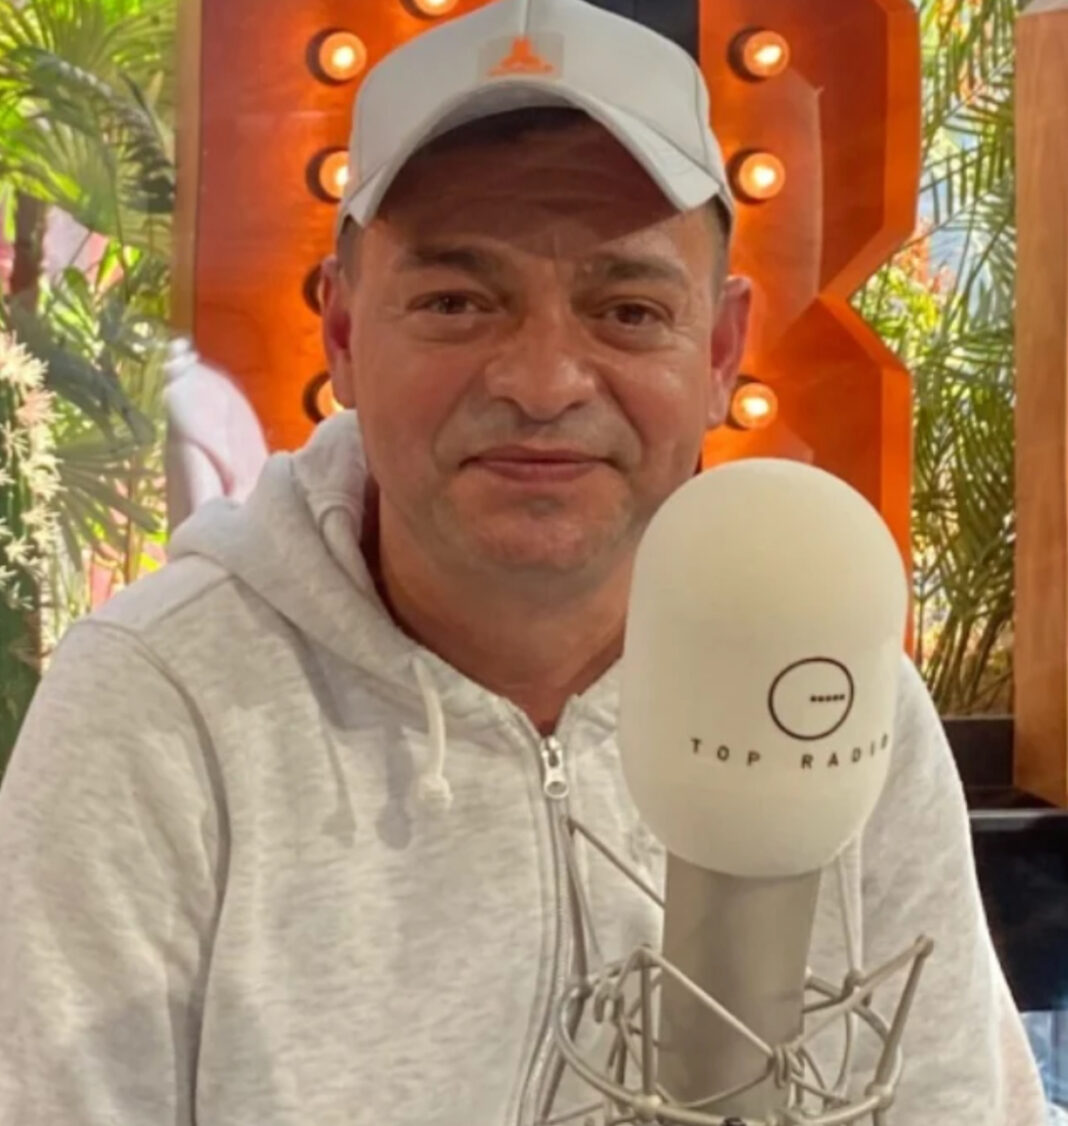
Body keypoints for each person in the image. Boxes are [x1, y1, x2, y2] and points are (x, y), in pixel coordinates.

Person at [0, 0, 1050, 1122]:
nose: (545, 383)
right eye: (457, 302)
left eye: (628, 310)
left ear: (718, 350)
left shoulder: (825, 694)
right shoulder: (158, 710)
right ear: (343, 334)